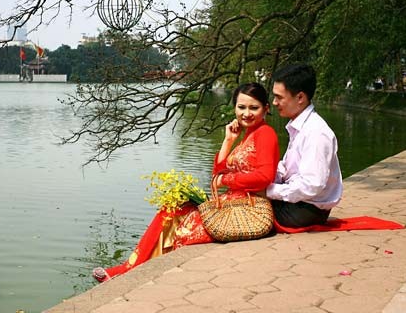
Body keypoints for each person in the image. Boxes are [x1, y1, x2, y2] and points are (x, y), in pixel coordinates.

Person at [92, 82, 279, 282]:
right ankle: (128, 268)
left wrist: (226, 179)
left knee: (185, 228)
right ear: (234, 108)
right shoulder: (246, 135)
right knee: (171, 209)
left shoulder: (265, 134)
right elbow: (218, 172)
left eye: (254, 108)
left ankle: (135, 274)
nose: (246, 113)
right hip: (228, 203)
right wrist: (228, 140)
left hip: (245, 207)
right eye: (241, 107)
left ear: (266, 109)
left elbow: (264, 176)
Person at [266, 63, 343, 228]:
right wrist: (264, 176)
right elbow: (288, 168)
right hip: (299, 202)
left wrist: (269, 191)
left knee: (248, 210)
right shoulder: (300, 126)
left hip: (306, 210)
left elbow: (312, 185)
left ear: (300, 98)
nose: (274, 102)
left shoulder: (316, 132)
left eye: (279, 97)